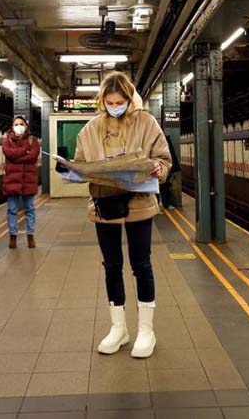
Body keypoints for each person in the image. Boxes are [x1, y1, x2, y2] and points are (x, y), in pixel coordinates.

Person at [75, 72, 171, 358]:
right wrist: (74, 171)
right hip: (104, 205)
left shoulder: (147, 123)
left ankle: (146, 330)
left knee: (141, 264)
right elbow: (81, 164)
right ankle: (119, 328)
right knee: (112, 265)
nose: (115, 105)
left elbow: (165, 160)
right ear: (102, 101)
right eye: (109, 101)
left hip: (139, 203)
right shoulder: (90, 129)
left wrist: (158, 168)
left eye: (120, 101)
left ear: (130, 100)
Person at [2, 115, 40, 249]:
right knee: (12, 210)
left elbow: (33, 156)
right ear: (12, 126)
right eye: (16, 124)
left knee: (30, 209)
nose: (19, 126)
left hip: (28, 181)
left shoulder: (33, 140)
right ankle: (13, 235)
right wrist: (25, 151)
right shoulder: (7, 140)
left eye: (21, 124)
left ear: (26, 126)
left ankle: (30, 235)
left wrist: (17, 156)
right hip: (12, 181)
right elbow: (9, 154)